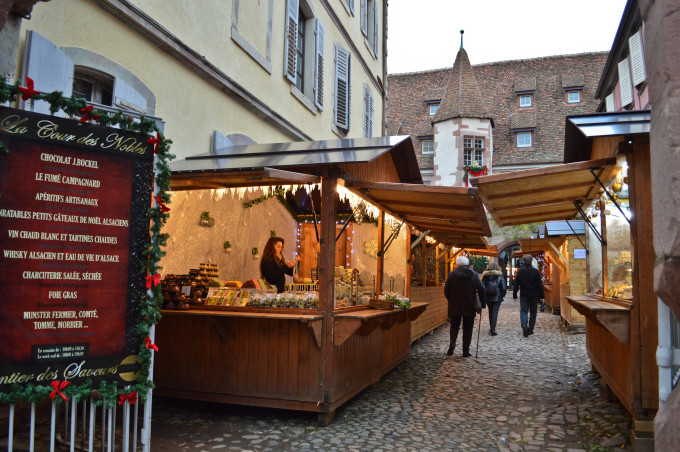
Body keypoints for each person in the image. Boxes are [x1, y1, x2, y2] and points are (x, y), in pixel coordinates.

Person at [443, 256, 486, 357]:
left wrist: (451, 299)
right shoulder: (473, 274)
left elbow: (446, 290)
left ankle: (452, 342)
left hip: (455, 304)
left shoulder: (452, 274)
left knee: (454, 325)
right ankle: (465, 351)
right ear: (467, 264)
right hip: (469, 304)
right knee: (468, 328)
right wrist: (482, 304)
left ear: (457, 264)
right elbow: (482, 289)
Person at [512, 254, 545, 337]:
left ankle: (524, 325)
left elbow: (516, 284)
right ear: (531, 261)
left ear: (523, 261)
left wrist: (515, 295)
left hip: (524, 294)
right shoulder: (536, 271)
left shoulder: (520, 271)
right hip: (534, 294)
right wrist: (542, 296)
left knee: (524, 310)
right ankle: (530, 329)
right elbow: (539, 285)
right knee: (533, 312)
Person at [481, 262, 506, 336]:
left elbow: (482, 287)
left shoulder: (485, 276)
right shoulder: (500, 276)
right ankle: (493, 329)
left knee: (490, 312)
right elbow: (503, 287)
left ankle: (491, 327)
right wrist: (502, 295)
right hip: (497, 297)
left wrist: (484, 296)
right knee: (495, 312)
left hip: (488, 297)